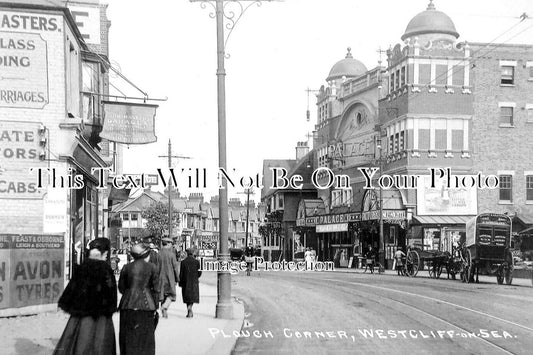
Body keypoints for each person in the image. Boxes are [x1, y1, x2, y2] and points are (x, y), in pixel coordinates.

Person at [53, 238, 117, 355]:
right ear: (105, 253)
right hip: (101, 316)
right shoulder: (105, 269)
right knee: (100, 344)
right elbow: (110, 291)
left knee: (79, 342)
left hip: (81, 314)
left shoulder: (84, 266)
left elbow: (72, 288)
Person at [118, 243, 160, 355]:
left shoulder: (126, 267)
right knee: (146, 340)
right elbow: (156, 289)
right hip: (147, 306)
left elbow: (121, 288)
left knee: (128, 338)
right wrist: (156, 306)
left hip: (127, 305)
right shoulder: (152, 267)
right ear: (147, 254)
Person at [159, 237, 180, 318]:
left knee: (162, 294)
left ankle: (163, 311)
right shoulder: (171, 255)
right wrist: (177, 278)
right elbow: (175, 268)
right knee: (171, 295)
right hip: (170, 278)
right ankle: (165, 307)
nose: (171, 245)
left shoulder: (158, 254)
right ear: (168, 244)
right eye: (171, 243)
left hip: (160, 278)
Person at [179, 248, 202, 318]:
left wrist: (180, 282)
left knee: (187, 296)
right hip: (194, 281)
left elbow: (181, 273)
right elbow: (199, 272)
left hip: (185, 282)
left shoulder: (183, 262)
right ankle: (190, 307)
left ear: (187, 253)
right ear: (193, 253)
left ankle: (188, 308)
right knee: (193, 296)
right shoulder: (197, 262)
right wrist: (196, 277)